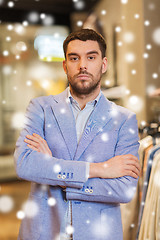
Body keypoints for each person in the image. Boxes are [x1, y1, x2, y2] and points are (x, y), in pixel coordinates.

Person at [14, 28, 141, 240]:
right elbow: (25, 165)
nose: (83, 65)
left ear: (104, 64)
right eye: (74, 58)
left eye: (91, 57)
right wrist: (100, 169)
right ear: (65, 65)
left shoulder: (124, 120)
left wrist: (53, 168)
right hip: (44, 232)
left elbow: (123, 190)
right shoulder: (40, 108)